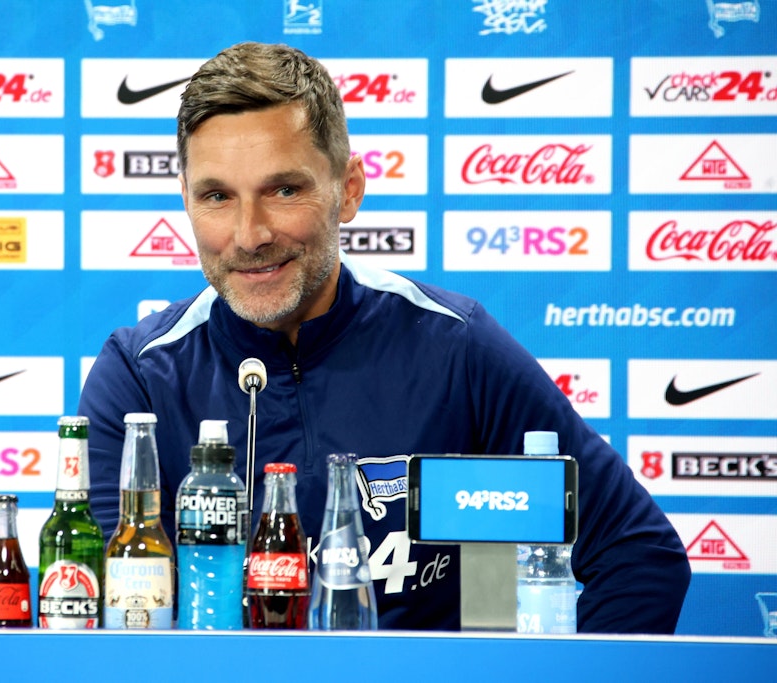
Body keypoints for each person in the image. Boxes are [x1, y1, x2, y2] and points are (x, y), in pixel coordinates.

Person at [79, 41, 691, 632]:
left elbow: (638, 557)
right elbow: (115, 619)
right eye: (217, 196)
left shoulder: (454, 346)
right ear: (186, 200)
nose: (250, 234)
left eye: (284, 190)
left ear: (348, 190)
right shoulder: (139, 377)